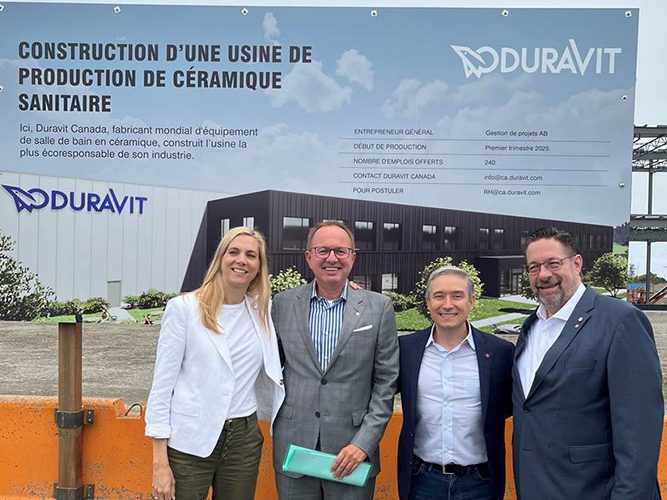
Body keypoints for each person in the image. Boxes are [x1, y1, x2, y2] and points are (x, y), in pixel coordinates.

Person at [513, 226, 663, 499]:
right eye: (534, 267)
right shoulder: (530, 327)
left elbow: (639, 432)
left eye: (553, 263)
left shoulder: (621, 321)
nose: (543, 274)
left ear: (577, 263)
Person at [145, 226, 285, 500]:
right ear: (220, 258)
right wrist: (159, 461)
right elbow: (162, 386)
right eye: (234, 252)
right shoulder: (184, 308)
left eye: (251, 255)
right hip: (189, 441)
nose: (241, 260)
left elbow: (305, 303)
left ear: (259, 266)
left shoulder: (263, 310)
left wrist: (348, 288)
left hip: (243, 440)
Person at [272, 220, 399, 499]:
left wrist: (363, 444)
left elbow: (386, 383)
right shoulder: (282, 304)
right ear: (309, 257)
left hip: (352, 452)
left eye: (341, 251)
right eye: (323, 250)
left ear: (352, 257)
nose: (332, 258)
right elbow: (269, 368)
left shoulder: (379, 308)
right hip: (294, 447)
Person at [397, 266, 514, 500]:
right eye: (439, 296)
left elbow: (510, 406)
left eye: (457, 296)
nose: (448, 304)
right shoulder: (406, 349)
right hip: (422, 480)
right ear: (428, 302)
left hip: (480, 483)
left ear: (472, 301)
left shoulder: (500, 352)